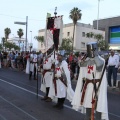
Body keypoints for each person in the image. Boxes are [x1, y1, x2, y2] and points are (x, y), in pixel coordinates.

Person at [72, 42, 109, 120]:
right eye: (89, 50)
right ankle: (88, 117)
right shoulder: (87, 60)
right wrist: (83, 59)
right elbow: (81, 65)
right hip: (88, 85)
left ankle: (98, 118)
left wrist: (94, 58)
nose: (90, 52)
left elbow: (99, 67)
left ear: (95, 49)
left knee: (98, 103)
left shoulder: (101, 60)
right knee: (88, 102)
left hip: (97, 86)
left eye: (92, 50)